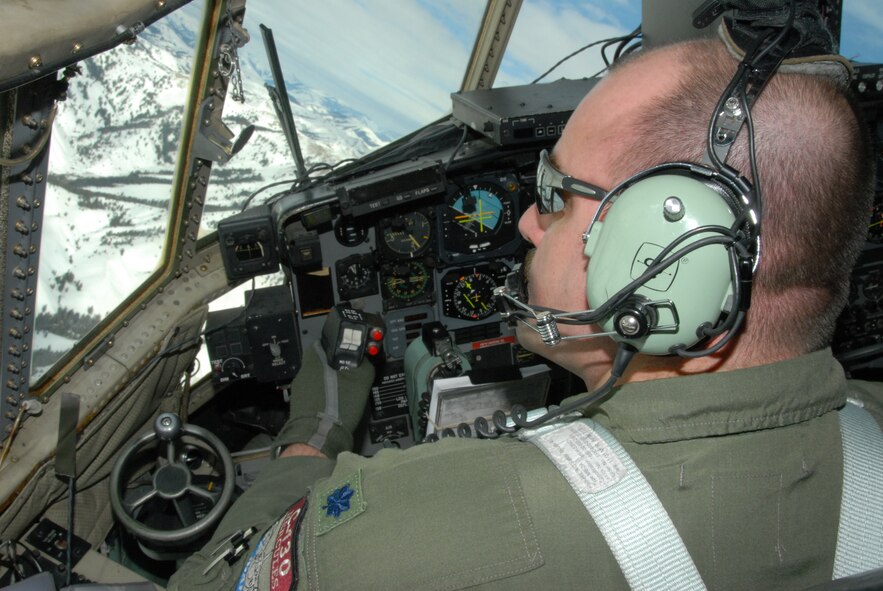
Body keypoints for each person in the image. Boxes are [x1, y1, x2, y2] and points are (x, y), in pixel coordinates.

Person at [169, 36, 881, 590]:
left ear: (664, 256)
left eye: (552, 194)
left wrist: (312, 438)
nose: (528, 226)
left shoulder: (405, 533)